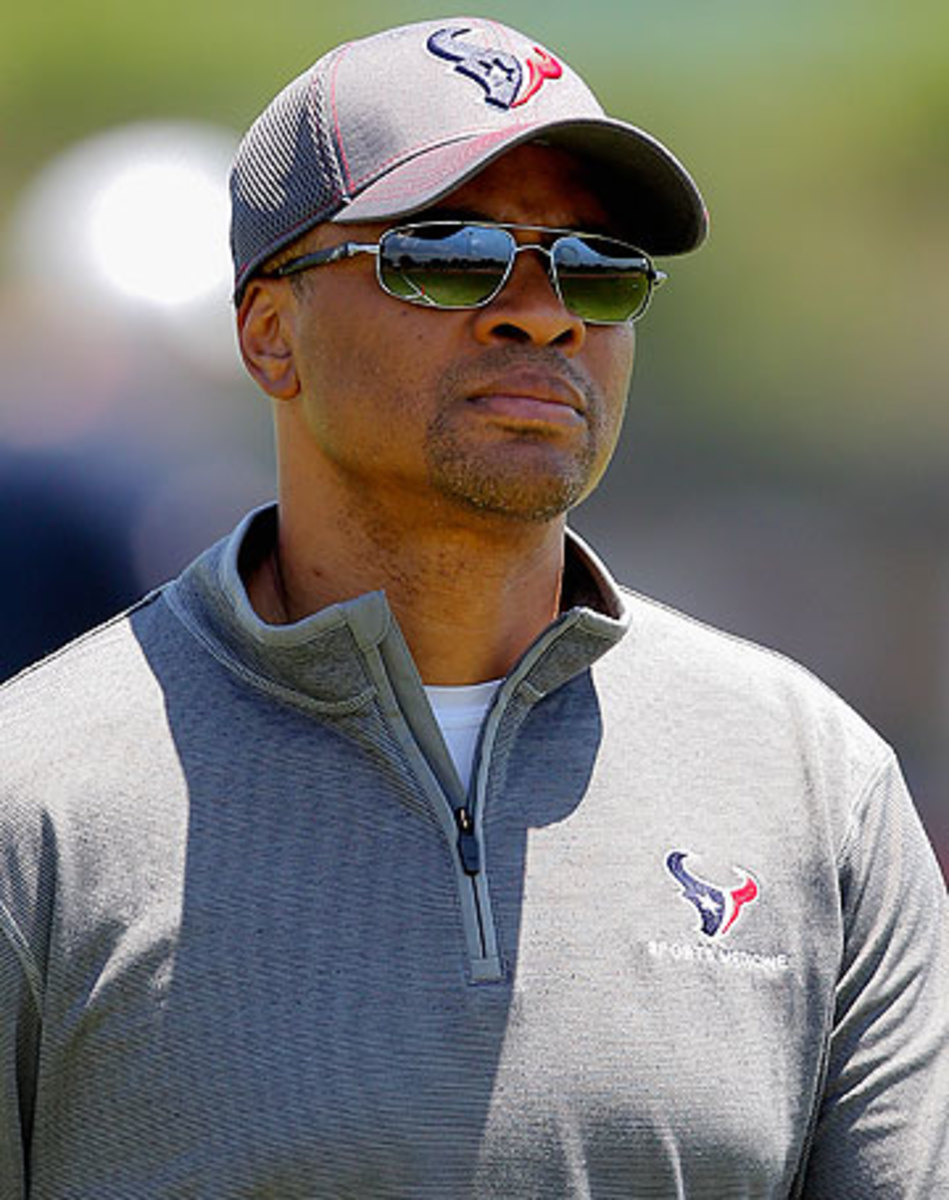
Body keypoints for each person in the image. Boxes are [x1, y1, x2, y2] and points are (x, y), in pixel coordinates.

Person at [1, 16, 946, 1198]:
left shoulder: (816, 789)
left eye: (596, 269)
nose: (542, 313)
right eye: (447, 254)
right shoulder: (31, 802)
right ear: (268, 332)